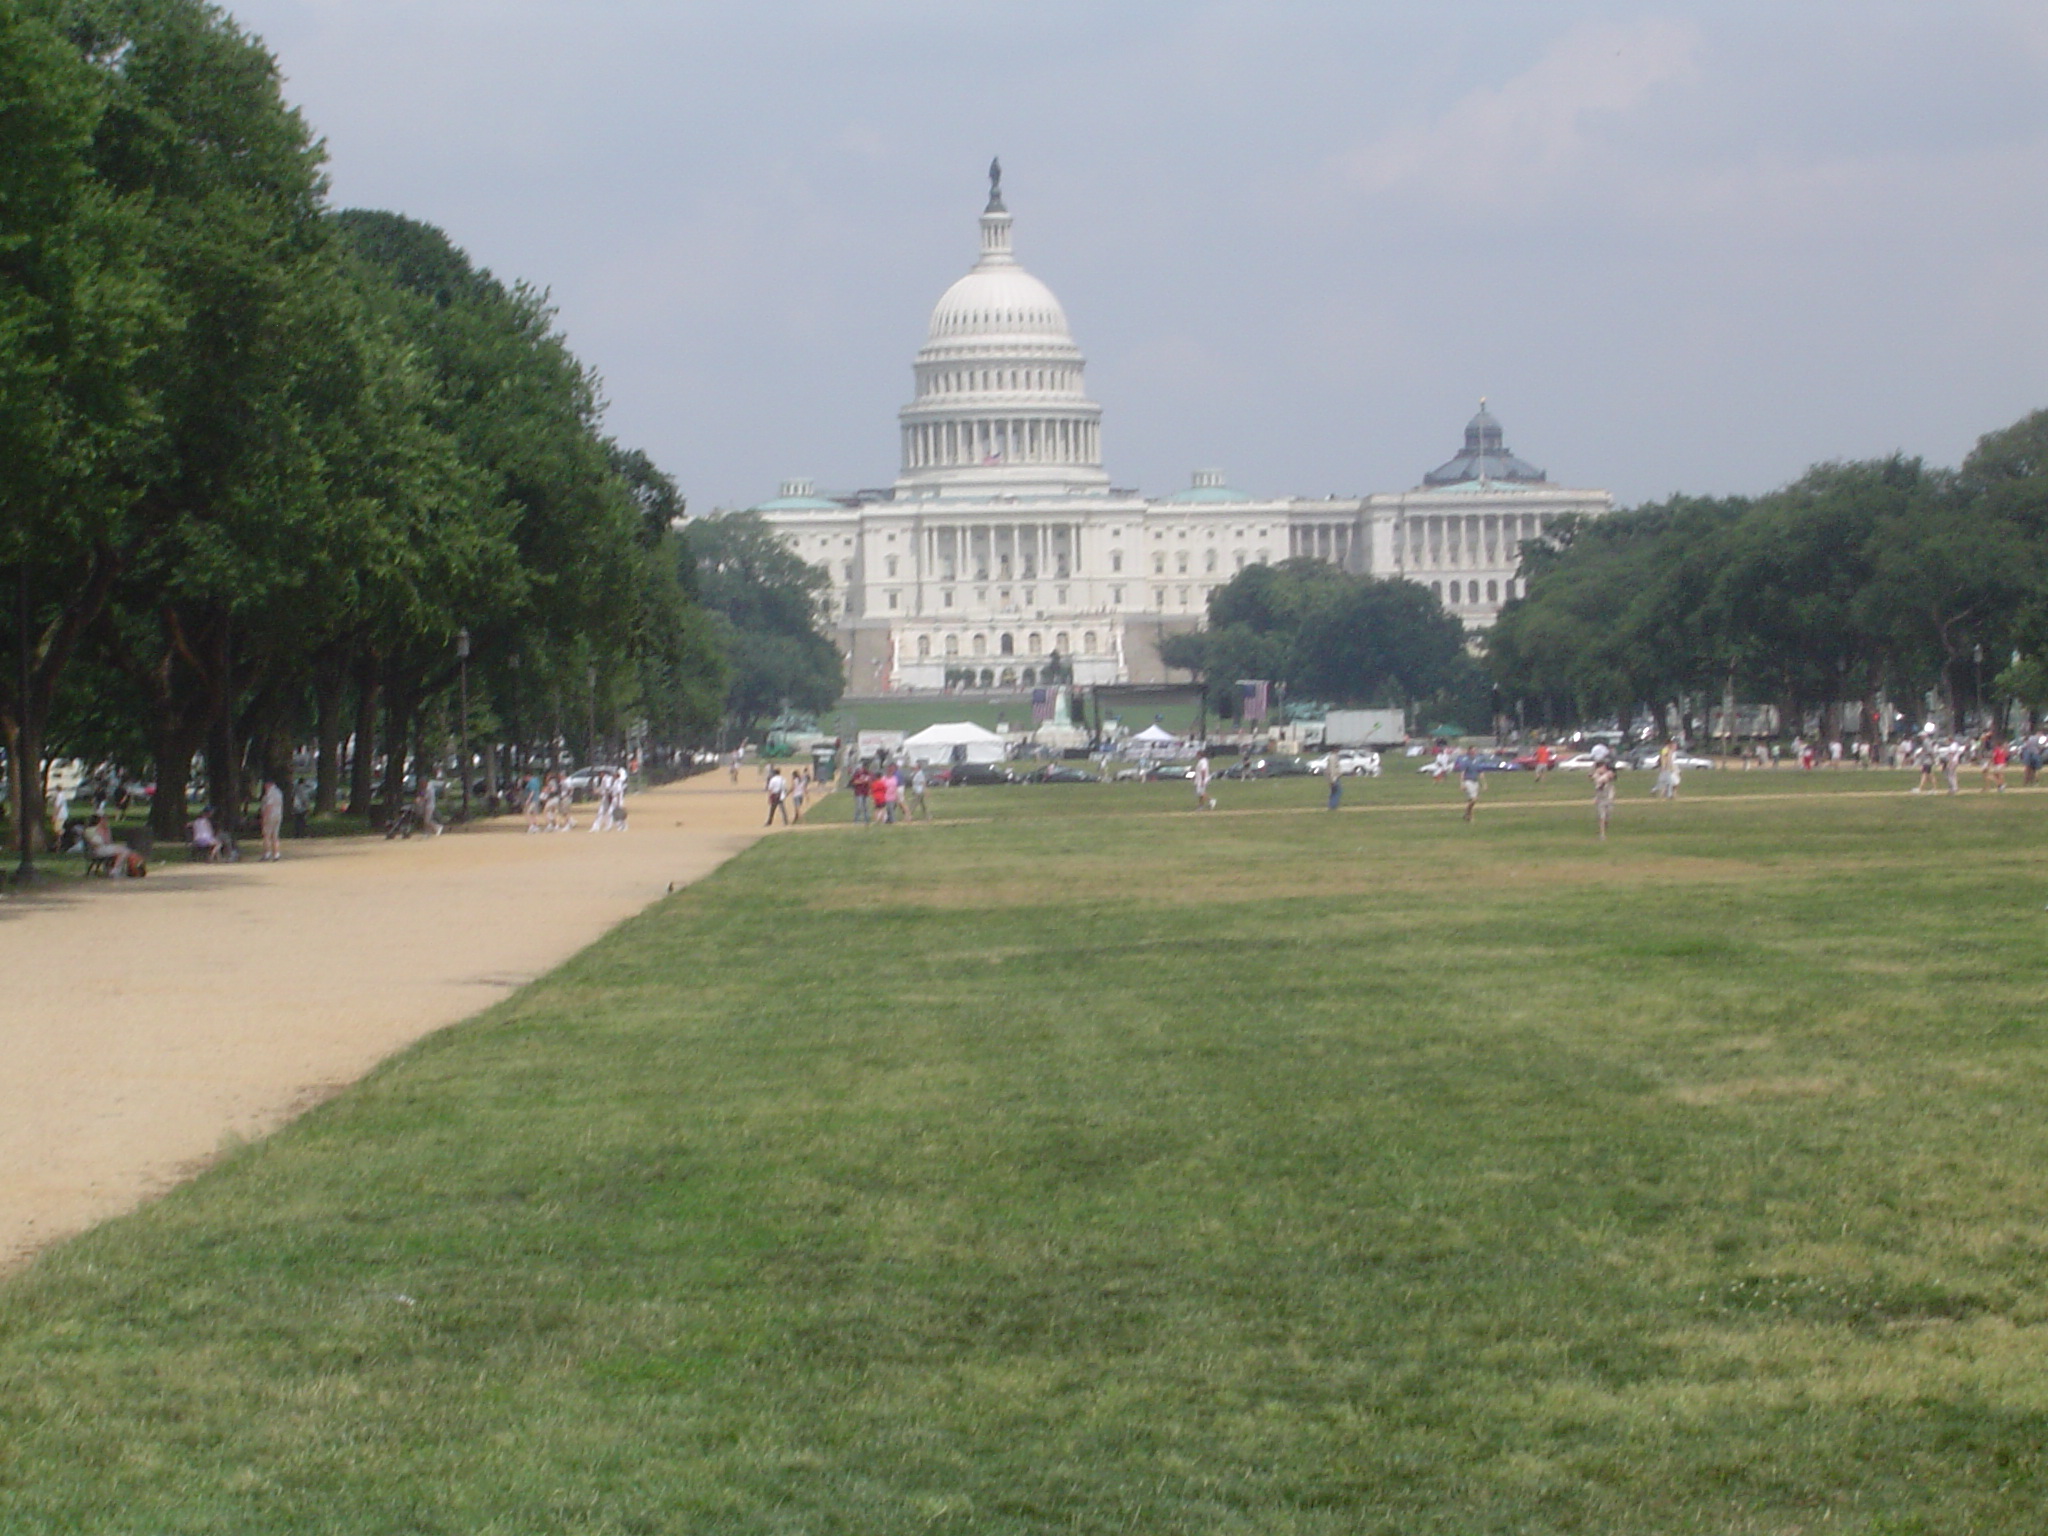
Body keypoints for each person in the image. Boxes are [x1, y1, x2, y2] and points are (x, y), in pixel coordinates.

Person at [259, 775, 285, 861]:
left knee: (267, 835)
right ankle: (276, 854)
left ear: (268, 784)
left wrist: (264, 818)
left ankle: (267, 854)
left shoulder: (270, 793)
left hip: (270, 816)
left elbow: (268, 806)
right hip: (278, 815)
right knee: (275, 836)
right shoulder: (278, 792)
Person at [1454, 747, 1482, 823]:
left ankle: (1468, 815)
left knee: (1472, 801)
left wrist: (1484, 783)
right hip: (1468, 781)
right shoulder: (1466, 761)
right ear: (1469, 752)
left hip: (1475, 781)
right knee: (1473, 799)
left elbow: (1480, 772)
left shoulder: (1477, 761)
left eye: (1475, 751)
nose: (1474, 752)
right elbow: (1462, 773)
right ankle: (1469, 815)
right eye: (1472, 751)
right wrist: (1462, 783)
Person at [1592, 755, 1617, 841]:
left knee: (1607, 817)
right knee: (1602, 817)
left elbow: (1613, 776)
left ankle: (1604, 830)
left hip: (1609, 797)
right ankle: (1602, 834)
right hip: (1601, 798)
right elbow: (1599, 785)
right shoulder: (1597, 776)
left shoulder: (1608, 774)